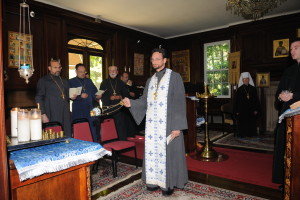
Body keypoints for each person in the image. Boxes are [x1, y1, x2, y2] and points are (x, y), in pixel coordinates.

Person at [122, 48, 188, 196]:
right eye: (152, 59)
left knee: (168, 153)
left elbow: (179, 102)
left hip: (169, 124)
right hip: (153, 126)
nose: (154, 62)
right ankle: (153, 181)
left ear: (164, 60)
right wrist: (131, 103)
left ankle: (167, 184)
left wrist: (177, 126)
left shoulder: (175, 77)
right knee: (153, 153)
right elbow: (144, 101)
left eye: (157, 59)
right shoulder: (150, 80)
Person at [272, 39, 300, 187]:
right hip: (287, 114)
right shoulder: (289, 70)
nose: (292, 51)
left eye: (296, 47)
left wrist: (293, 96)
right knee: (286, 149)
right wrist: (281, 96)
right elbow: (279, 91)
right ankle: (286, 179)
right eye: (291, 49)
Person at [35, 59, 71, 137]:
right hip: (51, 112)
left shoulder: (64, 80)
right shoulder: (43, 80)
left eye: (59, 67)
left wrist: (72, 97)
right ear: (49, 68)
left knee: (67, 135)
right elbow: (38, 98)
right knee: (54, 135)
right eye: (55, 67)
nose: (58, 70)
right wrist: (43, 114)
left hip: (65, 113)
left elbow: (67, 96)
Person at [69, 63, 101, 142]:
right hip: (78, 110)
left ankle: (93, 146)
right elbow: (69, 95)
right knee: (80, 130)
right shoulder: (71, 81)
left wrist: (98, 96)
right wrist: (80, 96)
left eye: (84, 72)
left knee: (92, 129)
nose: (83, 73)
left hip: (90, 109)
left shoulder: (89, 81)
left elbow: (95, 92)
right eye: (81, 72)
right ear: (76, 71)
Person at [99, 66, 129, 140]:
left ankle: (122, 142)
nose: (112, 72)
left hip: (119, 109)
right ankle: (109, 142)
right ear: (108, 72)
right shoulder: (104, 83)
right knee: (109, 128)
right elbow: (100, 95)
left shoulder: (121, 83)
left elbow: (126, 94)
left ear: (117, 72)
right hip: (109, 109)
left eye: (114, 70)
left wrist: (120, 97)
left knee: (120, 128)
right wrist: (109, 98)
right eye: (111, 71)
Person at [233, 72, 260, 138]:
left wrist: (256, 109)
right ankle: (243, 134)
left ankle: (251, 134)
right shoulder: (239, 89)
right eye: (244, 79)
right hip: (242, 110)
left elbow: (256, 100)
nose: (246, 80)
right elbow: (237, 101)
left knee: (251, 122)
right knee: (243, 123)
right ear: (242, 80)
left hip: (251, 109)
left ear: (249, 79)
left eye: (247, 79)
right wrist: (237, 110)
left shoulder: (253, 89)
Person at [120, 72, 139, 137]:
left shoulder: (130, 84)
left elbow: (136, 94)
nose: (127, 79)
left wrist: (130, 92)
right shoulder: (119, 84)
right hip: (122, 107)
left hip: (131, 106)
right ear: (121, 78)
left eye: (127, 77)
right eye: (125, 77)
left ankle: (132, 135)